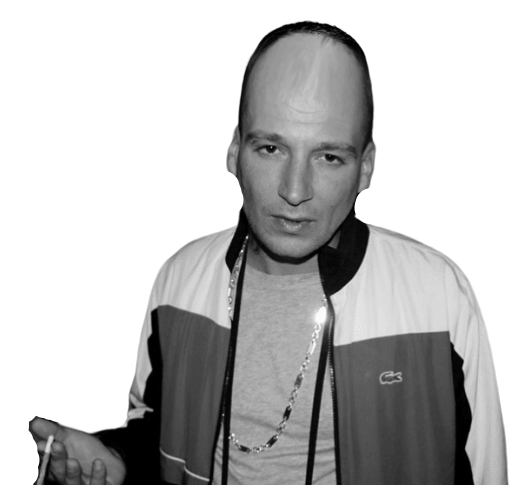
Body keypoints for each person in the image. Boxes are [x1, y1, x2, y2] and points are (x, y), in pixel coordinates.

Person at [29, 21, 507, 485]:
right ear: (235, 151)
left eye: (329, 157)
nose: (295, 191)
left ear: (365, 168)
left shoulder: (436, 296)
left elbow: (481, 470)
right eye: (271, 149)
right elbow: (156, 431)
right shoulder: (179, 281)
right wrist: (117, 462)